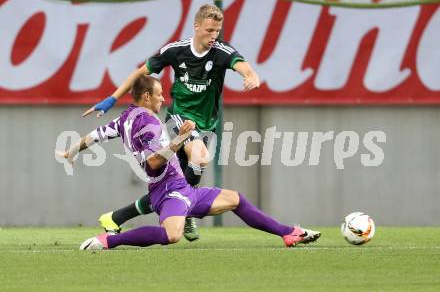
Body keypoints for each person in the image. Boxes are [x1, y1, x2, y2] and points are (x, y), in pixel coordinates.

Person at [61, 75, 320, 250]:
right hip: (168, 190)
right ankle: (108, 241)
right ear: (147, 97)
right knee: (172, 235)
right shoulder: (148, 123)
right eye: (160, 95)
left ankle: (289, 233)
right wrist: (181, 138)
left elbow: (93, 137)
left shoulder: (123, 120)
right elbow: (153, 162)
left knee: (235, 199)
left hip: (182, 188)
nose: (163, 99)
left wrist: (70, 152)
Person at [82, 4, 260, 241]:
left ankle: (116, 217)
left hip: (206, 125)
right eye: (209, 30)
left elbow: (244, 67)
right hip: (179, 119)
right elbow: (140, 73)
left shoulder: (221, 51)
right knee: (200, 158)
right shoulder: (175, 50)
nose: (213, 36)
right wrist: (112, 99)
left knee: (172, 186)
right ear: (196, 26)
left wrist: (251, 77)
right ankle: (186, 214)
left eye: (217, 31)